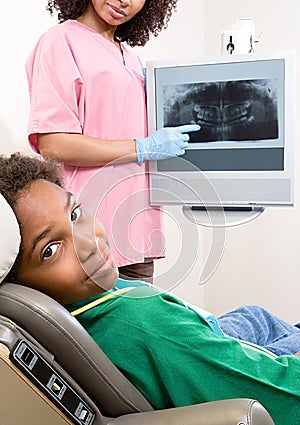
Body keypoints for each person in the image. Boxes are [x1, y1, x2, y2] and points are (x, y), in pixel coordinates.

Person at [0, 153, 299, 425]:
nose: (90, 243)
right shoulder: (146, 323)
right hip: (191, 352)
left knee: (255, 316)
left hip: (180, 340)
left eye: (75, 214)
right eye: (51, 250)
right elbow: (281, 398)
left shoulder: (75, 303)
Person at [25, 0, 200, 284]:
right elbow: (54, 144)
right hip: (88, 228)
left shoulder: (131, 58)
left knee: (140, 325)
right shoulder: (60, 41)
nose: (124, 1)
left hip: (138, 225)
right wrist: (141, 147)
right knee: (94, 327)